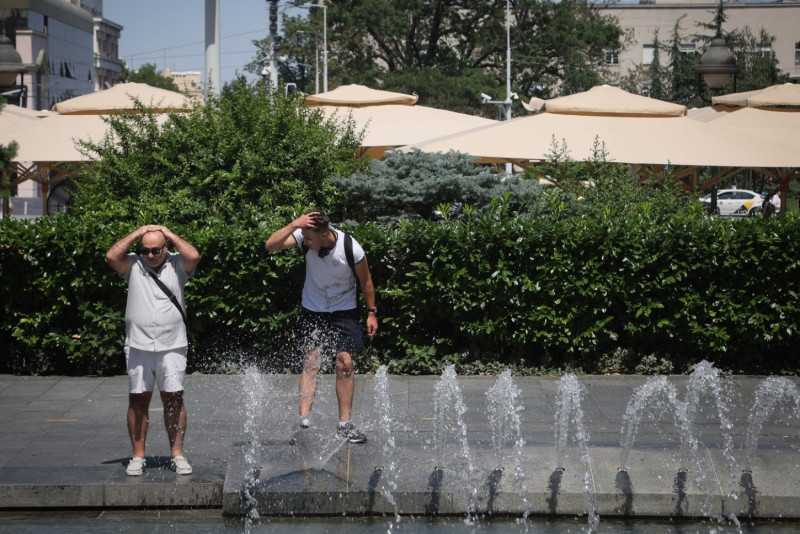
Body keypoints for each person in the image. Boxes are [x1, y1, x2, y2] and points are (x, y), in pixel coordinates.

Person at [266, 210, 378, 443]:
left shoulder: (351, 248)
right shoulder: (304, 237)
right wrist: (294, 224)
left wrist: (371, 312)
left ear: (324, 234)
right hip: (313, 308)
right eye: (304, 238)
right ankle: (303, 424)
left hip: (344, 310)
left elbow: (366, 281)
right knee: (312, 362)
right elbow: (271, 245)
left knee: (345, 364)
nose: (305, 242)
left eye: (309, 239)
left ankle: (344, 425)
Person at [106, 225, 200, 476]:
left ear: (165, 247)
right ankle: (138, 456)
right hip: (139, 343)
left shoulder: (177, 263)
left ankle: (177, 454)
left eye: (155, 250)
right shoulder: (133, 264)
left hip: (172, 344)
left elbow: (194, 256)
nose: (150, 255)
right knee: (138, 399)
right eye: (145, 250)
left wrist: (170, 233)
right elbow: (112, 256)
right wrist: (138, 233)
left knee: (174, 398)